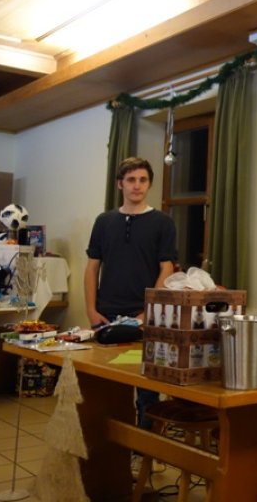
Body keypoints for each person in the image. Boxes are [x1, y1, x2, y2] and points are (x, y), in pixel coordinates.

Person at [85, 157, 177, 428]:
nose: (137, 186)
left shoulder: (163, 223)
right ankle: (109, 447)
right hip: (106, 316)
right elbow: (92, 268)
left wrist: (149, 313)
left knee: (147, 391)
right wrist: (91, 310)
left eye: (143, 180)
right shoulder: (104, 221)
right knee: (105, 389)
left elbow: (166, 269)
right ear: (120, 184)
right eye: (131, 180)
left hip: (144, 317)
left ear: (149, 184)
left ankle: (145, 446)